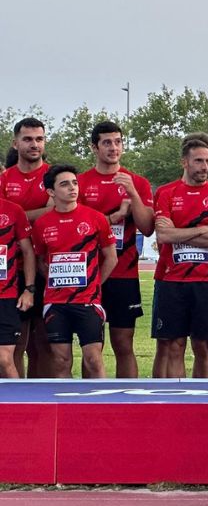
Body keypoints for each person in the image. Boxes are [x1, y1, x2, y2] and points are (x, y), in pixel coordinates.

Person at [151, 134, 208, 378]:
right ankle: (179, 399)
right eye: (199, 160)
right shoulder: (166, 193)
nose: (205, 166)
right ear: (184, 162)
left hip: (207, 282)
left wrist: (179, 233)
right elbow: (163, 236)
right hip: (171, 281)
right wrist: (201, 229)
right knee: (175, 345)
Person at [77, 121, 154, 378]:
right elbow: (80, 226)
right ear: (94, 147)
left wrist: (133, 194)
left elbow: (147, 227)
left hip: (125, 274)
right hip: (89, 275)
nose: (114, 147)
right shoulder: (81, 182)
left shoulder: (138, 182)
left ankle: (127, 399)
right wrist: (115, 215)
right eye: (107, 142)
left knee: (123, 343)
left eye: (118, 141)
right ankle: (88, 401)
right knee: (91, 347)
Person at [32, 164, 118, 378]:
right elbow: (40, 261)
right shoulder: (42, 224)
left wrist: (95, 282)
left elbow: (111, 257)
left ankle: (100, 407)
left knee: (93, 360)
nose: (72, 188)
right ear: (51, 192)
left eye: (74, 183)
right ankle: (67, 410)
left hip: (88, 302)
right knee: (61, 362)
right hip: (56, 304)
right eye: (64, 184)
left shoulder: (95, 218)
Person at [2, 117, 52, 376]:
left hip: (46, 267)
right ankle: (19, 399)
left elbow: (67, 212)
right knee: (16, 343)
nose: (34, 144)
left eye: (39, 139)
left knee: (45, 341)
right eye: (28, 139)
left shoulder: (56, 177)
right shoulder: (4, 179)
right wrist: (43, 211)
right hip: (12, 271)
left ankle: (42, 399)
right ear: (15, 142)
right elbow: (8, 217)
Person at [0, 192, 37, 377]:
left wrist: (29, 289)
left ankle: (20, 405)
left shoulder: (13, 210)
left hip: (5, 297)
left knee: (5, 359)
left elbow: (28, 252)